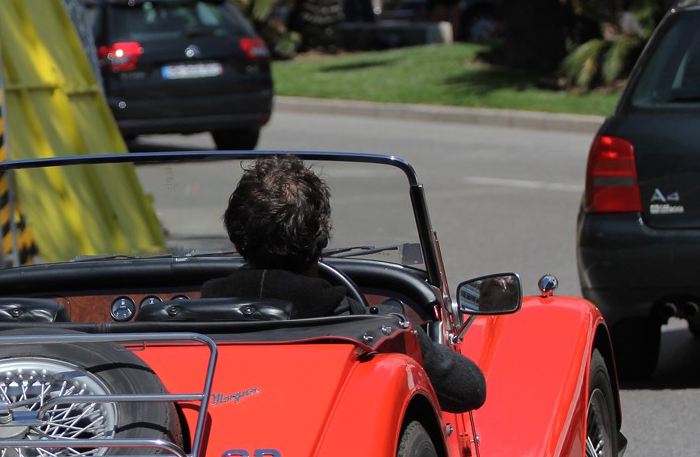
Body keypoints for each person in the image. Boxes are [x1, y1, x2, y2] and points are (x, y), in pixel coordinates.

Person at [203, 156, 487, 412]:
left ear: (235, 233)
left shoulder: (186, 326)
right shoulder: (363, 327)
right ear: (321, 235)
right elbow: (470, 390)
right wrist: (398, 326)